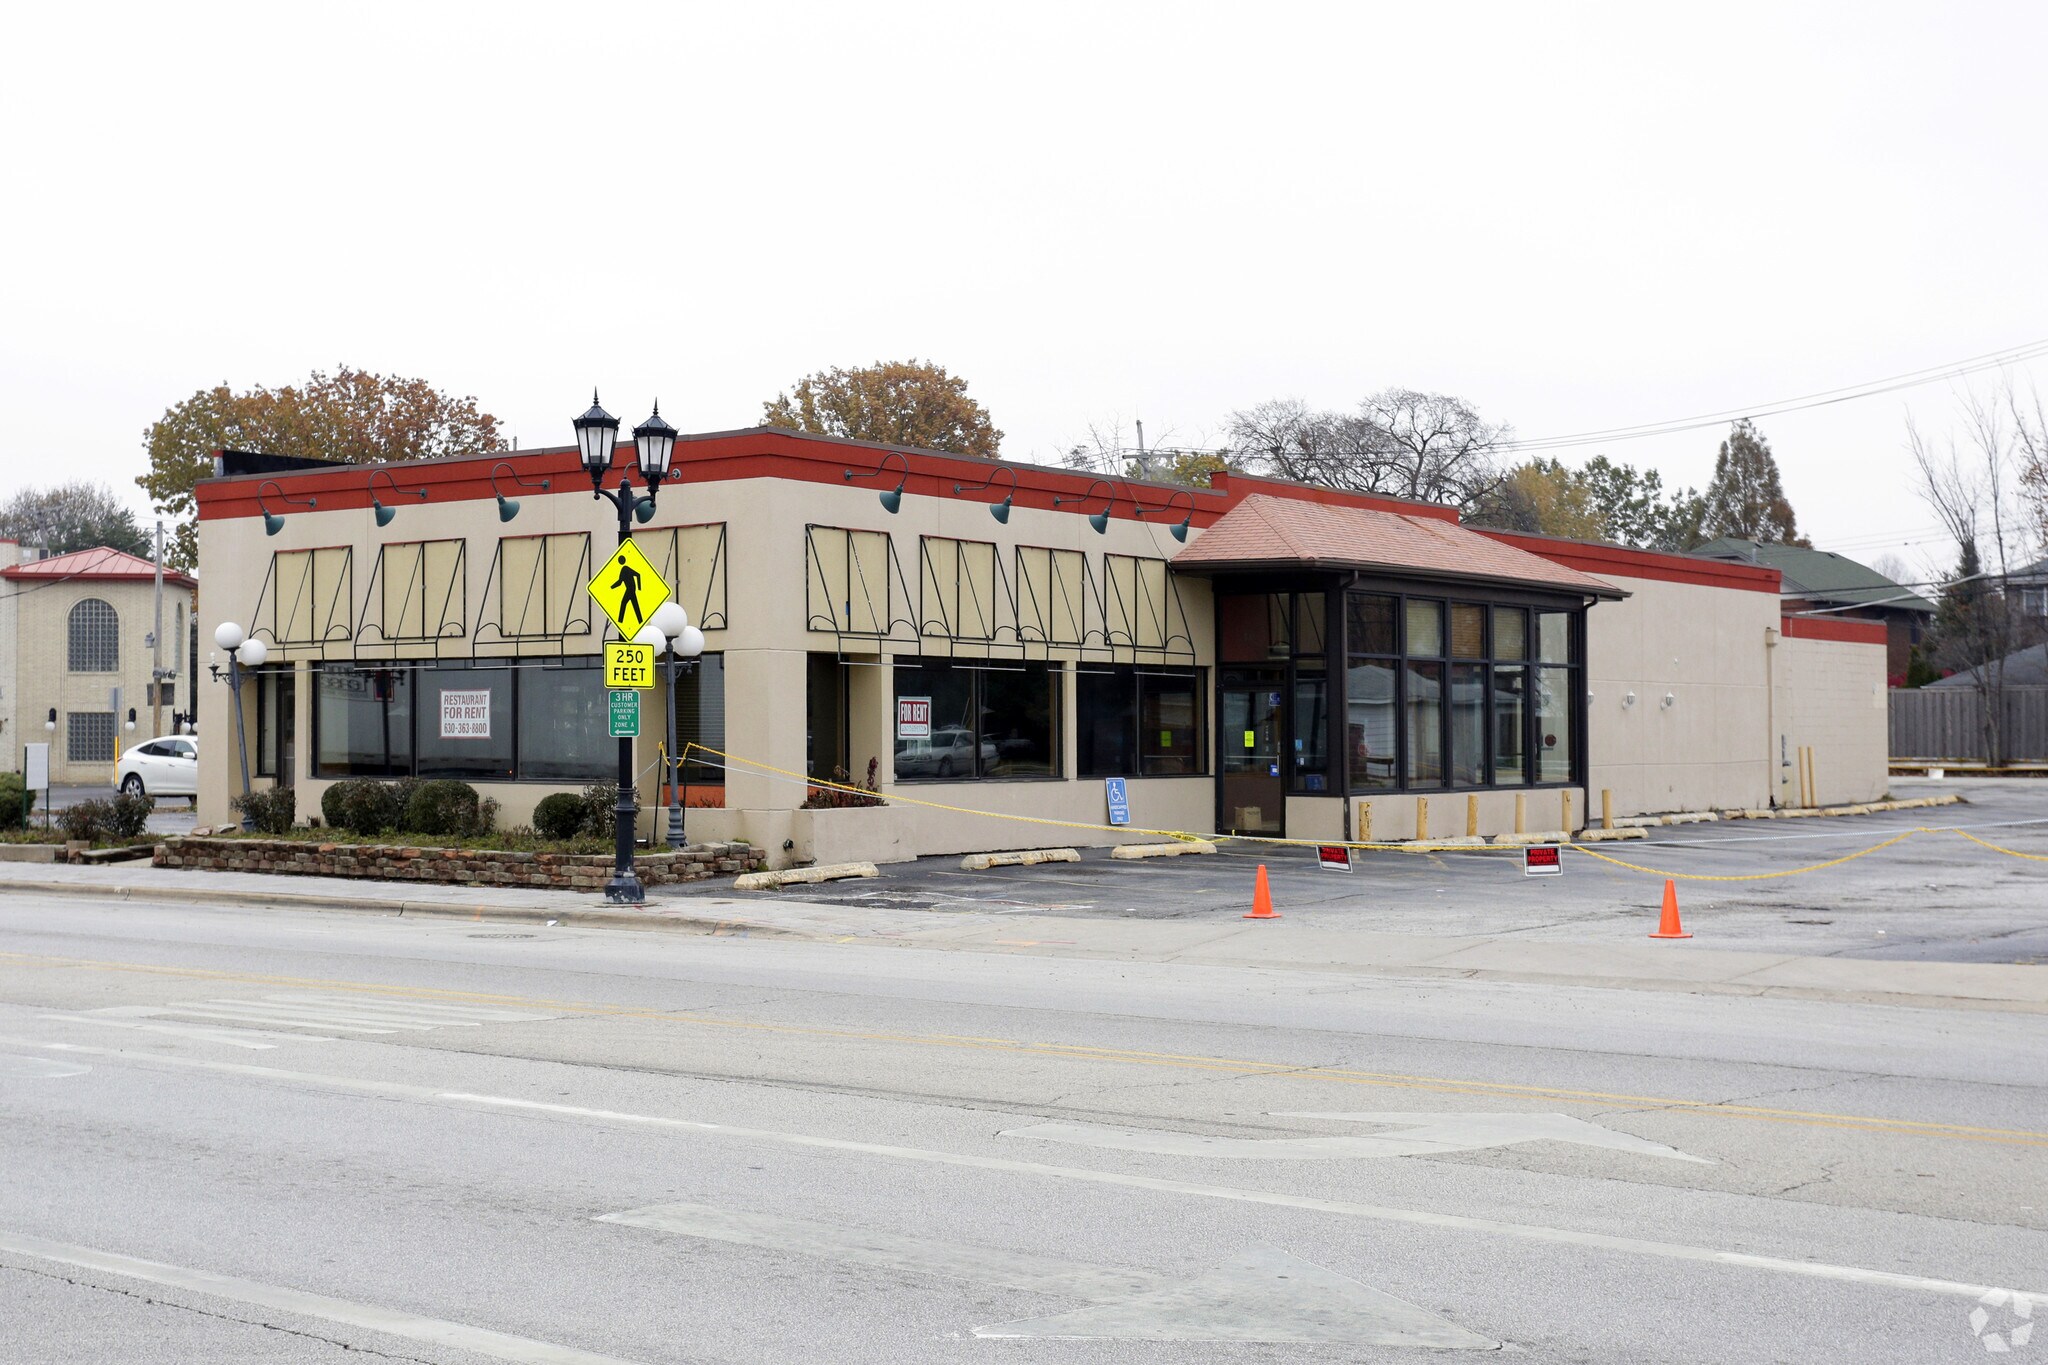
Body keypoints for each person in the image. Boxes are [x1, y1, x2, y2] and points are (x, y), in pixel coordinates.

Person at [609, 554, 644, 630]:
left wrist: (639, 587)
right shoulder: (623, 570)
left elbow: (638, 575)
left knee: (624, 604)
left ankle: (621, 621)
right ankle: (639, 621)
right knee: (635, 606)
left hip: (630, 590)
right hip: (630, 590)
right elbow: (620, 582)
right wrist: (611, 587)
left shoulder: (625, 568)